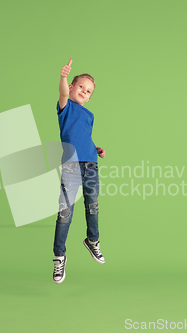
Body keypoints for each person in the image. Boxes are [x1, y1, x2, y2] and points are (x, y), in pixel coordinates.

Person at [52, 58, 106, 284]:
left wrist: (95, 148)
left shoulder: (89, 115)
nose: (85, 92)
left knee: (92, 207)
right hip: (72, 166)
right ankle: (59, 257)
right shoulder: (65, 107)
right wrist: (64, 77)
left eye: (89, 91)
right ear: (72, 88)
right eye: (81, 87)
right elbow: (62, 93)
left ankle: (92, 241)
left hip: (90, 165)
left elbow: (82, 137)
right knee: (65, 214)